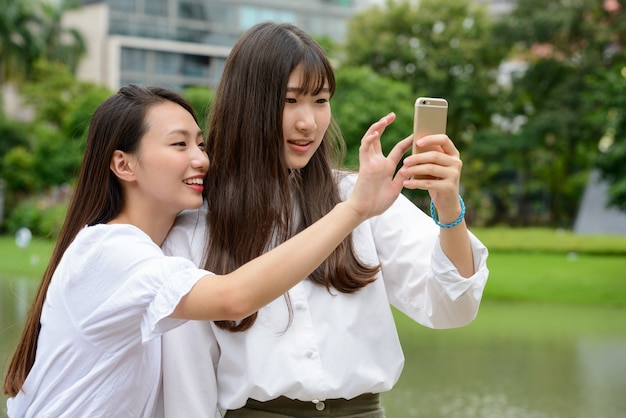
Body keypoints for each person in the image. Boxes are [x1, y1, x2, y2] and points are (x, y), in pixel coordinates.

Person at [2, 84, 413, 418]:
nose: (201, 159)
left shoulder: (159, 250)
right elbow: (233, 298)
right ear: (123, 165)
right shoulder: (110, 251)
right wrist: (355, 209)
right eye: (179, 145)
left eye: (200, 143)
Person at [161, 21, 490, 418]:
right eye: (289, 100)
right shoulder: (197, 226)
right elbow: (188, 387)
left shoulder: (362, 197)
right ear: (247, 104)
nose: (309, 122)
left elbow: (453, 307)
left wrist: (449, 208)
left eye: (320, 100)